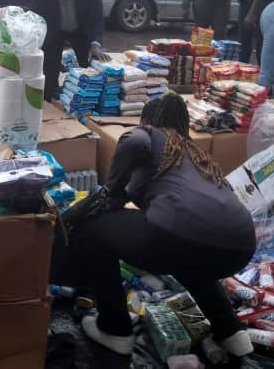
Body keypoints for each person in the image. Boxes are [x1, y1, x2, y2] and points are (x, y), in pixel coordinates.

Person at [68, 94, 256, 358]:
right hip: (240, 247)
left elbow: (133, 144)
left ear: (148, 121)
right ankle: (232, 333)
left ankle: (115, 330)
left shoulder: (150, 136)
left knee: (95, 230)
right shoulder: (195, 154)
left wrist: (102, 195)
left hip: (179, 234)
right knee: (190, 258)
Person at [33, 0, 109, 101]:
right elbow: (40, 29)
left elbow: (97, 17)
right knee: (50, 70)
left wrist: (95, 43)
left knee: (91, 67)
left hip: (81, 30)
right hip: (54, 33)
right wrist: (47, 55)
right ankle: (50, 102)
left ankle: (91, 101)